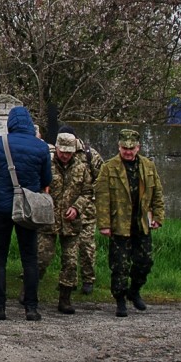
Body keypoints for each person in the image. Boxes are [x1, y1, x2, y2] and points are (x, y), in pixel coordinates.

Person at [0, 106, 52, 322]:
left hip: (1, 208)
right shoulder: (41, 146)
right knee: (30, 258)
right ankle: (31, 308)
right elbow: (47, 179)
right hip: (28, 209)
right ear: (29, 123)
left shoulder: (0, 143)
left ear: (10, 123)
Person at [95, 128, 165, 318]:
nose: (128, 151)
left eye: (131, 148)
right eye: (124, 148)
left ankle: (134, 291)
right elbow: (101, 197)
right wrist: (104, 224)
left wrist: (158, 216)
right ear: (119, 147)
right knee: (120, 265)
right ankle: (120, 299)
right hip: (119, 223)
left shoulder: (148, 166)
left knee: (145, 261)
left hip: (141, 222)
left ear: (138, 148)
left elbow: (157, 193)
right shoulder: (109, 168)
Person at [42, 132, 94, 315]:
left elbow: (88, 192)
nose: (65, 155)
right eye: (62, 151)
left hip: (71, 223)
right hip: (48, 221)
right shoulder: (46, 165)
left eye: (68, 152)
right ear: (56, 149)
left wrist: (77, 208)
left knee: (71, 262)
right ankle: (29, 291)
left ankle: (65, 299)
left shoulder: (81, 168)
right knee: (41, 258)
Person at [58, 124, 104, 295]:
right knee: (68, 249)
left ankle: (88, 279)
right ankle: (69, 281)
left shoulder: (89, 155)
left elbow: (101, 178)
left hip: (86, 211)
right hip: (64, 211)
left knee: (86, 246)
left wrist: (90, 197)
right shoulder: (57, 156)